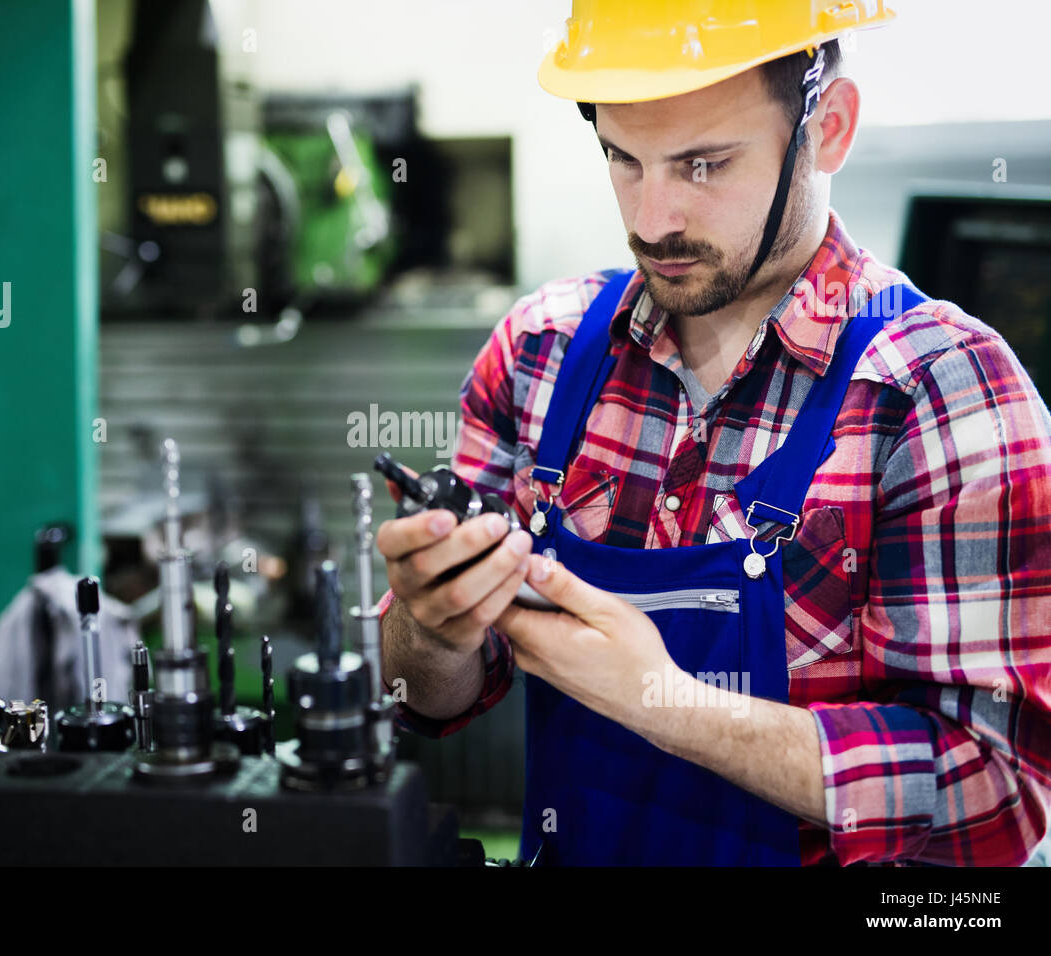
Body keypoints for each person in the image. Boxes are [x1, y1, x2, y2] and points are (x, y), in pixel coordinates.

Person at [375, 1, 1051, 865]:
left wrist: (664, 702)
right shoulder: (540, 354)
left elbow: (999, 797)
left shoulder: (941, 392)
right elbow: (425, 703)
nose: (653, 219)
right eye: (624, 159)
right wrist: (432, 629)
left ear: (829, 129)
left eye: (704, 164)